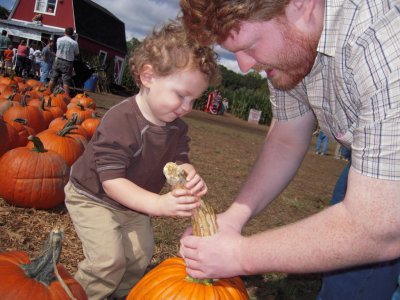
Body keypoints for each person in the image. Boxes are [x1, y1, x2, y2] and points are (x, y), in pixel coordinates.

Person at [179, 1, 400, 299]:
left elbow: (377, 227)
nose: (245, 67)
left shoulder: (382, 36)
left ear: (301, 5)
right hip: (372, 172)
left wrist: (241, 255)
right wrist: (231, 219)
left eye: (250, 45)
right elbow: (286, 138)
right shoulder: (293, 48)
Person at [64, 20, 220, 299]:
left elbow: (180, 158)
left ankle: (124, 294)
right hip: (94, 197)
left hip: (135, 205)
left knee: (138, 257)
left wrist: (189, 174)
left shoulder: (176, 127)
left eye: (193, 100)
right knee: (108, 261)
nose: (187, 108)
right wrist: (158, 204)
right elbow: (112, 183)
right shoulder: (120, 121)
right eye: (182, 95)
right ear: (148, 76)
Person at [49, 27, 79, 95]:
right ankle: (66, 97)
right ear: (72, 34)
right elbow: (77, 53)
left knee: (53, 78)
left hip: (58, 59)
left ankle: (47, 92)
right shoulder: (74, 43)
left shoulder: (59, 39)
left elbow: (58, 48)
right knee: (66, 80)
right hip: (67, 62)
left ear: (65, 32)